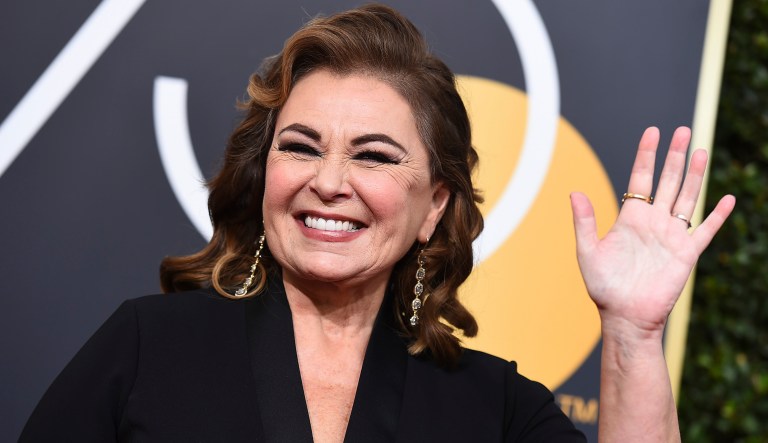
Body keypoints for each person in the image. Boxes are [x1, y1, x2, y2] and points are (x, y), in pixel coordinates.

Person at [20, 4, 735, 442]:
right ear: (264, 173)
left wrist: (634, 336)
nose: (329, 182)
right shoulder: (148, 348)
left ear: (435, 206)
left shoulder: (491, 408)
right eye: (300, 146)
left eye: (374, 156)